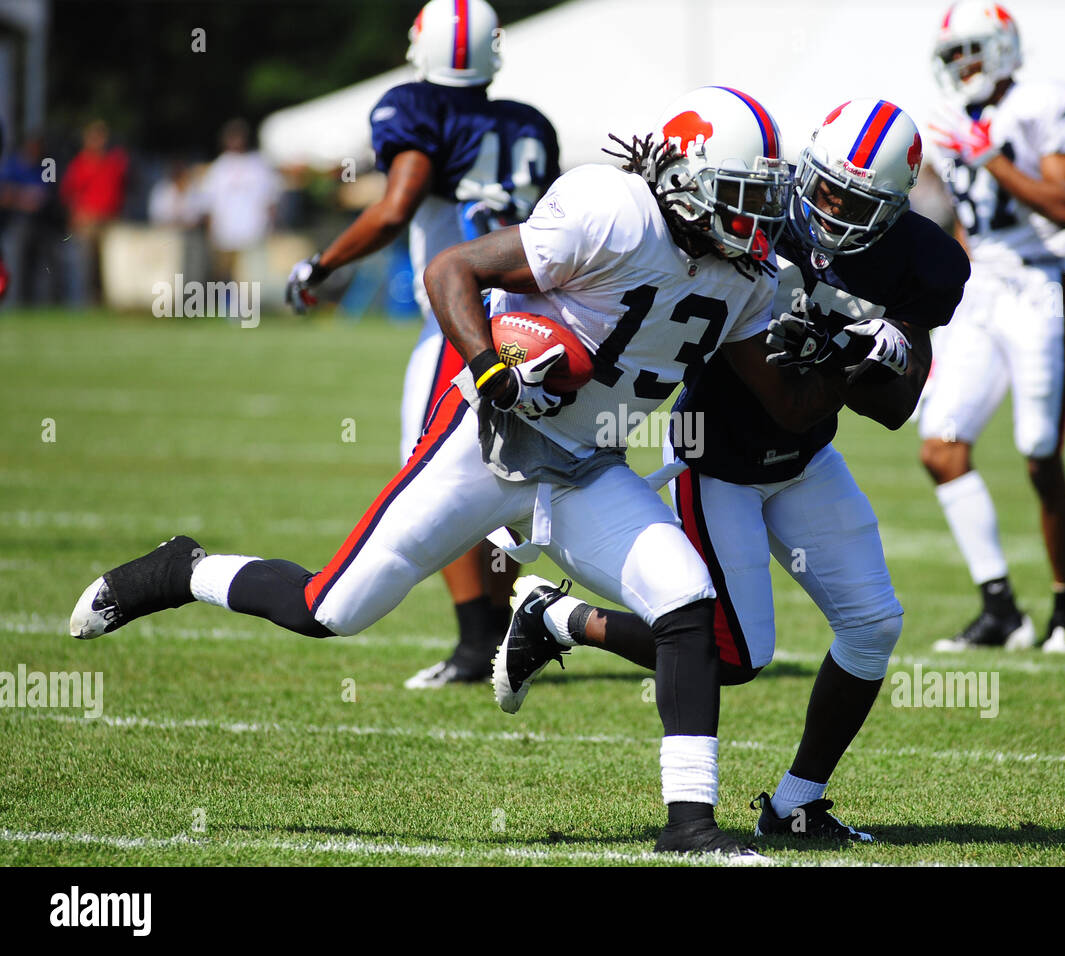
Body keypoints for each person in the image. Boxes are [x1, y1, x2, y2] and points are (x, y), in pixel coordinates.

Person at [70, 85, 849, 858]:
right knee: (331, 608)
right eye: (738, 194)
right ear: (684, 178)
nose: (754, 219)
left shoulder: (746, 276)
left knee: (686, 600)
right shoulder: (612, 211)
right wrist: (489, 368)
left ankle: (689, 829)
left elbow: (785, 403)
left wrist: (844, 358)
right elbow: (452, 269)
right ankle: (182, 570)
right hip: (491, 440)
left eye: (762, 198)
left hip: (587, 466)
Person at [491, 99, 969, 842]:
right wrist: (837, 353)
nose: (832, 210)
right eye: (826, 188)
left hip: (806, 456)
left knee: (874, 624)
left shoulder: (922, 259)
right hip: (716, 456)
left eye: (856, 201)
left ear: (896, 207)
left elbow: (899, 407)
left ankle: (796, 805)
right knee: (734, 656)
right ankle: (559, 619)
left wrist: (879, 356)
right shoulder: (758, 210)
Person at [285, 0, 560, 689]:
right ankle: (498, 639)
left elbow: (396, 205)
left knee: (433, 478)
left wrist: (320, 264)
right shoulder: (530, 125)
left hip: (458, 323)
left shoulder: (413, 106)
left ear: (421, 46)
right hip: (535, 325)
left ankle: (478, 648)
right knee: (502, 482)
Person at [919, 0, 1065, 653]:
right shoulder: (957, 120)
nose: (959, 67)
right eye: (951, 56)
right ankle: (1000, 610)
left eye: (967, 51)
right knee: (940, 445)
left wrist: (991, 158)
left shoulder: (1046, 102)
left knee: (1040, 455)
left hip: (1042, 285)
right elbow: (972, 220)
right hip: (984, 288)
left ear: (997, 46)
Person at [193, 119, 280, 286]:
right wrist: (211, 232)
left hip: (254, 231)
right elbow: (209, 204)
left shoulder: (259, 165)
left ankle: (246, 305)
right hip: (225, 232)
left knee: (250, 275)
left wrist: (271, 226)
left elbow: (270, 199)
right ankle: (228, 305)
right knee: (226, 273)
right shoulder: (218, 168)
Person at [59, 120, 128, 306]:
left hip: (110, 220)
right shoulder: (80, 164)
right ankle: (85, 303)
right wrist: (76, 216)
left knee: (108, 266)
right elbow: (69, 193)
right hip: (88, 220)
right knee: (85, 266)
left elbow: (123, 187)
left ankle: (105, 303)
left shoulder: (114, 162)